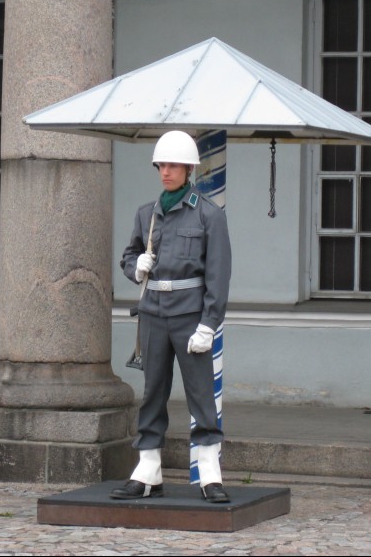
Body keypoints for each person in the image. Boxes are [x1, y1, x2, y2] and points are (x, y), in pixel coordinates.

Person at [111, 130, 232, 503]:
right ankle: (148, 469)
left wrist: (209, 324)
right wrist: (136, 268)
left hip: (190, 316)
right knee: (152, 393)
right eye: (161, 165)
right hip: (153, 315)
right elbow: (129, 257)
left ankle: (210, 473)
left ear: (189, 168)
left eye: (173, 165)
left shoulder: (209, 215)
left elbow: (218, 274)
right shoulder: (147, 214)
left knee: (200, 395)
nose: (166, 171)